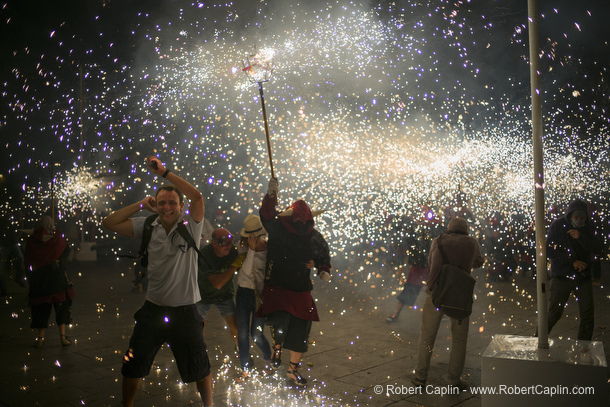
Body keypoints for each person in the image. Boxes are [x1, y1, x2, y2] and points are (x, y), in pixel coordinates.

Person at [102, 156, 212, 407]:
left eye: (172, 202)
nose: (167, 207)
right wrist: (141, 204)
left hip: (185, 312)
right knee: (132, 365)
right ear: (156, 205)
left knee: (200, 367)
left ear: (180, 205)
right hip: (152, 310)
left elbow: (197, 197)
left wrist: (164, 173)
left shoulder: (191, 226)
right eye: (161, 202)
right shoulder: (148, 226)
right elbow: (109, 223)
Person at [259, 178, 332, 386]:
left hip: (301, 289)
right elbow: (266, 215)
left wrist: (322, 268)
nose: (302, 225)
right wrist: (271, 195)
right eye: (299, 221)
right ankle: (277, 348)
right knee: (280, 324)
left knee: (301, 331)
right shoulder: (278, 228)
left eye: (305, 221)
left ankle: (292, 370)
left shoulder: (311, 234)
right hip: (278, 286)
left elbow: (321, 251)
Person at [412, 217, 484, 390]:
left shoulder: (438, 241)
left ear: (448, 229)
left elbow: (431, 264)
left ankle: (420, 376)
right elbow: (479, 263)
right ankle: (453, 380)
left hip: (435, 293)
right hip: (460, 295)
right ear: (466, 230)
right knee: (459, 339)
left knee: (427, 336)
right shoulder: (472, 243)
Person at [546, 199, 602, 341]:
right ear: (569, 214)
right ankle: (537, 340)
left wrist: (581, 237)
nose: (578, 220)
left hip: (582, 277)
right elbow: (549, 251)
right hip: (561, 277)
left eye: (581, 218)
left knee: (587, 315)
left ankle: (584, 347)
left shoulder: (589, 226)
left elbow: (597, 248)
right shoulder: (558, 226)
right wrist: (571, 261)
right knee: (554, 313)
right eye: (575, 217)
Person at [24, 215, 74, 348]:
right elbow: (66, 250)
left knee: (41, 309)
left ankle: (40, 339)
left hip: (40, 281)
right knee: (61, 308)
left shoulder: (33, 239)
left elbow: (28, 257)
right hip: (57, 280)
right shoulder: (56, 238)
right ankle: (63, 338)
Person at [233, 214, 272, 383]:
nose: (251, 238)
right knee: (242, 334)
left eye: (254, 236)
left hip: (259, 296)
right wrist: (250, 250)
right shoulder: (242, 247)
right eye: (248, 236)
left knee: (256, 334)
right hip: (243, 293)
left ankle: (269, 360)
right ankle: (245, 368)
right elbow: (246, 272)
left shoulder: (270, 249)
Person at [196, 228, 242, 350]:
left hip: (224, 295)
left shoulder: (233, 252)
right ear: (214, 243)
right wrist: (234, 265)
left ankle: (241, 350)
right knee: (197, 331)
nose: (229, 245)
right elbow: (217, 283)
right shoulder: (204, 255)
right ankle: (198, 354)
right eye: (224, 242)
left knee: (236, 329)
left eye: (231, 241)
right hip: (203, 296)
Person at [386, 225, 431, 322]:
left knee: (433, 292)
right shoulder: (413, 241)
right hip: (417, 269)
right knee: (408, 290)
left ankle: (440, 314)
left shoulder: (429, 242)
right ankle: (396, 314)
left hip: (426, 269)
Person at [0, 214, 27, 295]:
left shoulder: (17, 221)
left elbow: (19, 231)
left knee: (21, 259)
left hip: (13, 243)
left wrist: (15, 239)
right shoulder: (4, 221)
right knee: (2, 266)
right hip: (3, 245)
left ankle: (19, 278)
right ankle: (3, 287)